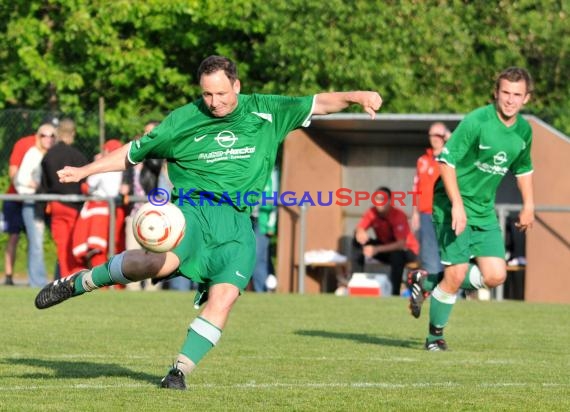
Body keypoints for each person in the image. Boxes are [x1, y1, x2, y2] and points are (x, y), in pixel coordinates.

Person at [34, 55, 382, 389]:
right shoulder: (184, 119)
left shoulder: (267, 109)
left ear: (237, 85)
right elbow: (131, 153)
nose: (214, 102)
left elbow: (319, 103)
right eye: (207, 94)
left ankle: (179, 370)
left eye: (221, 93)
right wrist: (85, 170)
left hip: (237, 223)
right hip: (192, 213)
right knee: (154, 263)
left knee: (225, 295)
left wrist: (356, 97)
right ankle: (80, 282)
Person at [407, 67, 535, 351]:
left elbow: (524, 169)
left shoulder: (524, 131)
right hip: (450, 204)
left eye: (517, 95)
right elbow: (446, 162)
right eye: (505, 93)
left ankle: (425, 282)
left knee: (496, 275)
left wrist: (529, 205)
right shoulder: (478, 120)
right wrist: (457, 206)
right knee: (456, 274)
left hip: (483, 210)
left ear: (526, 98)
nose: (510, 100)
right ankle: (434, 337)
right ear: (496, 92)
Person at [40, 119, 89, 278]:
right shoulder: (79, 156)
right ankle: (74, 277)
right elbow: (85, 182)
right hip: (76, 205)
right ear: (73, 133)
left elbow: (45, 184)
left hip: (56, 204)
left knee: (62, 244)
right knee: (75, 242)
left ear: (58, 133)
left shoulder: (49, 155)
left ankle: (65, 277)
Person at [352, 187, 419, 296]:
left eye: (383, 199)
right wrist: (360, 232)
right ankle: (356, 281)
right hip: (385, 249)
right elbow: (360, 227)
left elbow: (401, 244)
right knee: (356, 240)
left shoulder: (398, 215)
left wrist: (376, 249)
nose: (380, 202)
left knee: (397, 255)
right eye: (377, 199)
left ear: (389, 201)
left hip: (407, 251)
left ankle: (394, 293)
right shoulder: (371, 212)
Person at [121, 121, 163, 291]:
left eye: (151, 133)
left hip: (154, 213)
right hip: (135, 212)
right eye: (145, 133)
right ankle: (133, 288)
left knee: (153, 254)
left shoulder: (158, 157)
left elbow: (157, 167)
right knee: (132, 252)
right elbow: (124, 185)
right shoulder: (133, 162)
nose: (147, 136)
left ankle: (152, 289)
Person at [14, 122, 56, 287]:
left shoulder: (52, 154)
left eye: (52, 135)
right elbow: (21, 177)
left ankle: (57, 278)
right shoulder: (33, 153)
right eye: (44, 135)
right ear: (38, 137)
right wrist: (37, 186)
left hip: (46, 202)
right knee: (37, 243)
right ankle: (38, 283)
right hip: (32, 201)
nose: (48, 138)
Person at [71, 139, 124, 270]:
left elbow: (89, 187)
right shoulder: (122, 168)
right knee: (111, 245)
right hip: (115, 208)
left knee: (97, 246)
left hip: (98, 209)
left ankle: (100, 280)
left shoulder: (104, 167)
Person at [410, 122, 450, 275]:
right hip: (426, 213)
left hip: (446, 213)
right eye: (432, 135)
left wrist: (450, 138)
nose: (435, 138)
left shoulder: (450, 157)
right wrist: (415, 212)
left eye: (439, 135)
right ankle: (434, 290)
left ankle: (453, 292)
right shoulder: (422, 160)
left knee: (448, 252)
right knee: (429, 255)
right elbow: (416, 187)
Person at [2, 133, 37, 285]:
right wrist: (23, 190)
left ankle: (34, 277)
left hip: (34, 199)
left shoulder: (52, 144)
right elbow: (13, 171)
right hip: (16, 198)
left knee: (33, 238)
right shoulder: (24, 143)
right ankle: (9, 275)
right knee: (13, 237)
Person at [251, 168, 279, 292]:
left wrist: (270, 225)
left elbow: (273, 198)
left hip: (262, 222)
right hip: (247, 218)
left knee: (258, 257)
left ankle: (261, 290)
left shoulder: (271, 172)